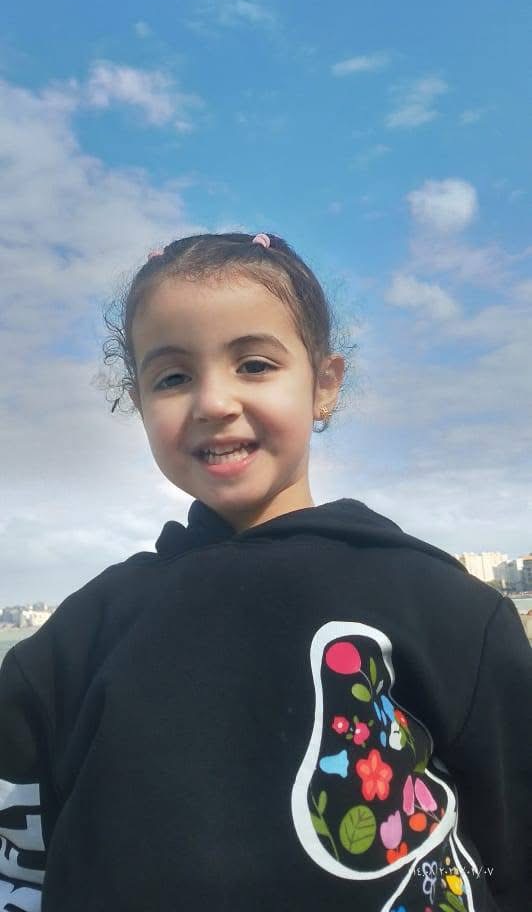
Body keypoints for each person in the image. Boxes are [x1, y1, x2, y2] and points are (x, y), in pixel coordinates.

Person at [0, 231, 530, 912]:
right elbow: (22, 865)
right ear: (140, 402)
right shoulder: (72, 642)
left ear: (324, 385)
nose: (214, 402)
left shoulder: (443, 606)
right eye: (173, 377)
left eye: (253, 364)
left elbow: (513, 842)